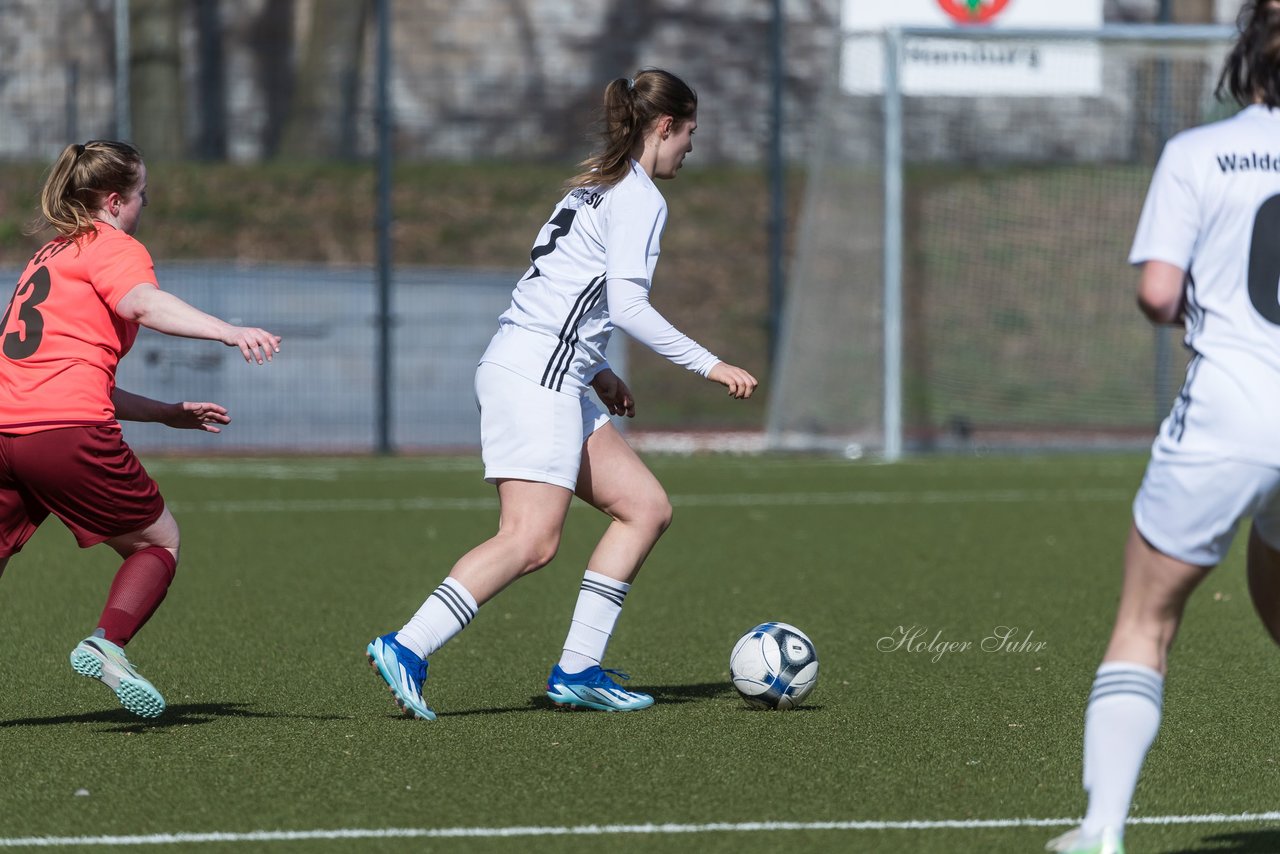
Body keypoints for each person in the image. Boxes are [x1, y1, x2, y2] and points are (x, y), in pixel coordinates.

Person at [366, 69, 757, 720]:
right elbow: (628, 303)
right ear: (664, 127)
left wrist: (596, 368)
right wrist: (709, 364)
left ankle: (578, 669)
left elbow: (567, 288)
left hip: (549, 368)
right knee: (530, 539)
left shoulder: (594, 188)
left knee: (644, 507)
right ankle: (407, 646)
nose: (692, 146)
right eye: (690, 132)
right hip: (538, 375)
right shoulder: (639, 199)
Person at [1047, 4, 1280, 852]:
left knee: (1145, 621)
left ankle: (1102, 830)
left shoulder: (1199, 152)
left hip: (1230, 410)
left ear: (1248, 61)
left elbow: (1156, 291)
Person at [0, 140, 281, 719]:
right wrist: (228, 331)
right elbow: (143, 304)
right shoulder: (110, 245)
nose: (143, 205)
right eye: (141, 195)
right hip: (66, 433)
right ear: (113, 201)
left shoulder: (50, 254)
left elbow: (64, 373)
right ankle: (107, 644)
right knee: (158, 543)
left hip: (6, 431)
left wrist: (164, 412)